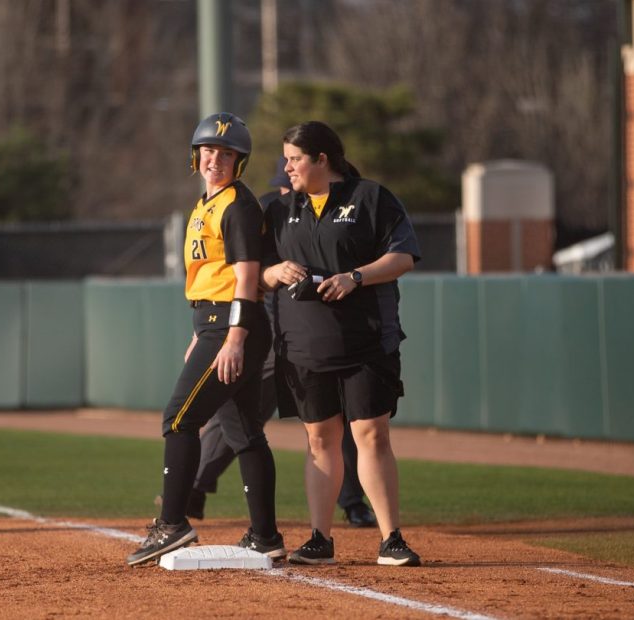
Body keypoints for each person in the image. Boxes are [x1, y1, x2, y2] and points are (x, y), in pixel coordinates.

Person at [126, 112, 285, 566]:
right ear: (195, 156)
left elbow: (246, 278)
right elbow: (210, 280)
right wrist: (203, 334)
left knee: (178, 420)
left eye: (226, 153)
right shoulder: (205, 205)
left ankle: (173, 524)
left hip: (233, 324)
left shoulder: (237, 204)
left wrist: (233, 336)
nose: (215, 158)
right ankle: (265, 536)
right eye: (209, 150)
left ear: (239, 162)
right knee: (245, 433)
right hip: (215, 324)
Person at [261, 121, 422, 567]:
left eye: (294, 159)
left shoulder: (370, 197)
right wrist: (274, 274)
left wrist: (355, 277)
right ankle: (319, 537)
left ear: (321, 160)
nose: (287, 167)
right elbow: (252, 273)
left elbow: (404, 256)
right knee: (319, 440)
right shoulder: (278, 210)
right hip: (303, 346)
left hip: (366, 342)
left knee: (371, 435)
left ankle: (391, 538)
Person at [186, 157, 376, 529]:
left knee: (339, 416)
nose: (287, 189)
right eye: (283, 182)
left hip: (324, 329)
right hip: (271, 325)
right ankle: (194, 485)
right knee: (242, 413)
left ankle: (353, 501)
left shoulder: (340, 212)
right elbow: (240, 274)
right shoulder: (270, 210)